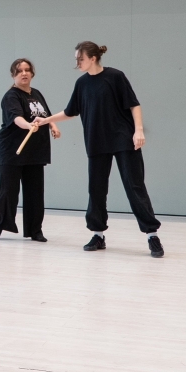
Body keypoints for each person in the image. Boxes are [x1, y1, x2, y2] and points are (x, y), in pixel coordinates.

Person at [39, 42, 164, 257]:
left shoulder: (115, 77)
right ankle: (98, 234)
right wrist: (45, 120)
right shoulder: (81, 83)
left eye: (80, 58)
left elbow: (134, 104)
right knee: (96, 189)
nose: (77, 62)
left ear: (93, 58)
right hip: (96, 141)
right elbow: (70, 111)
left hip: (123, 139)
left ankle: (152, 235)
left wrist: (138, 131)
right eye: (76, 59)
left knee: (134, 186)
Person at [0, 58, 61, 242]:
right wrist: (28, 125)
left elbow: (46, 114)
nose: (24, 73)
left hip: (35, 150)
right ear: (13, 75)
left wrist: (53, 126)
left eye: (27, 70)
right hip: (12, 149)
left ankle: (35, 230)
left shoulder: (36, 93)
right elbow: (16, 118)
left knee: (35, 192)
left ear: (32, 73)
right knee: (8, 190)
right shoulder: (11, 96)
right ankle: (0, 225)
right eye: (20, 70)